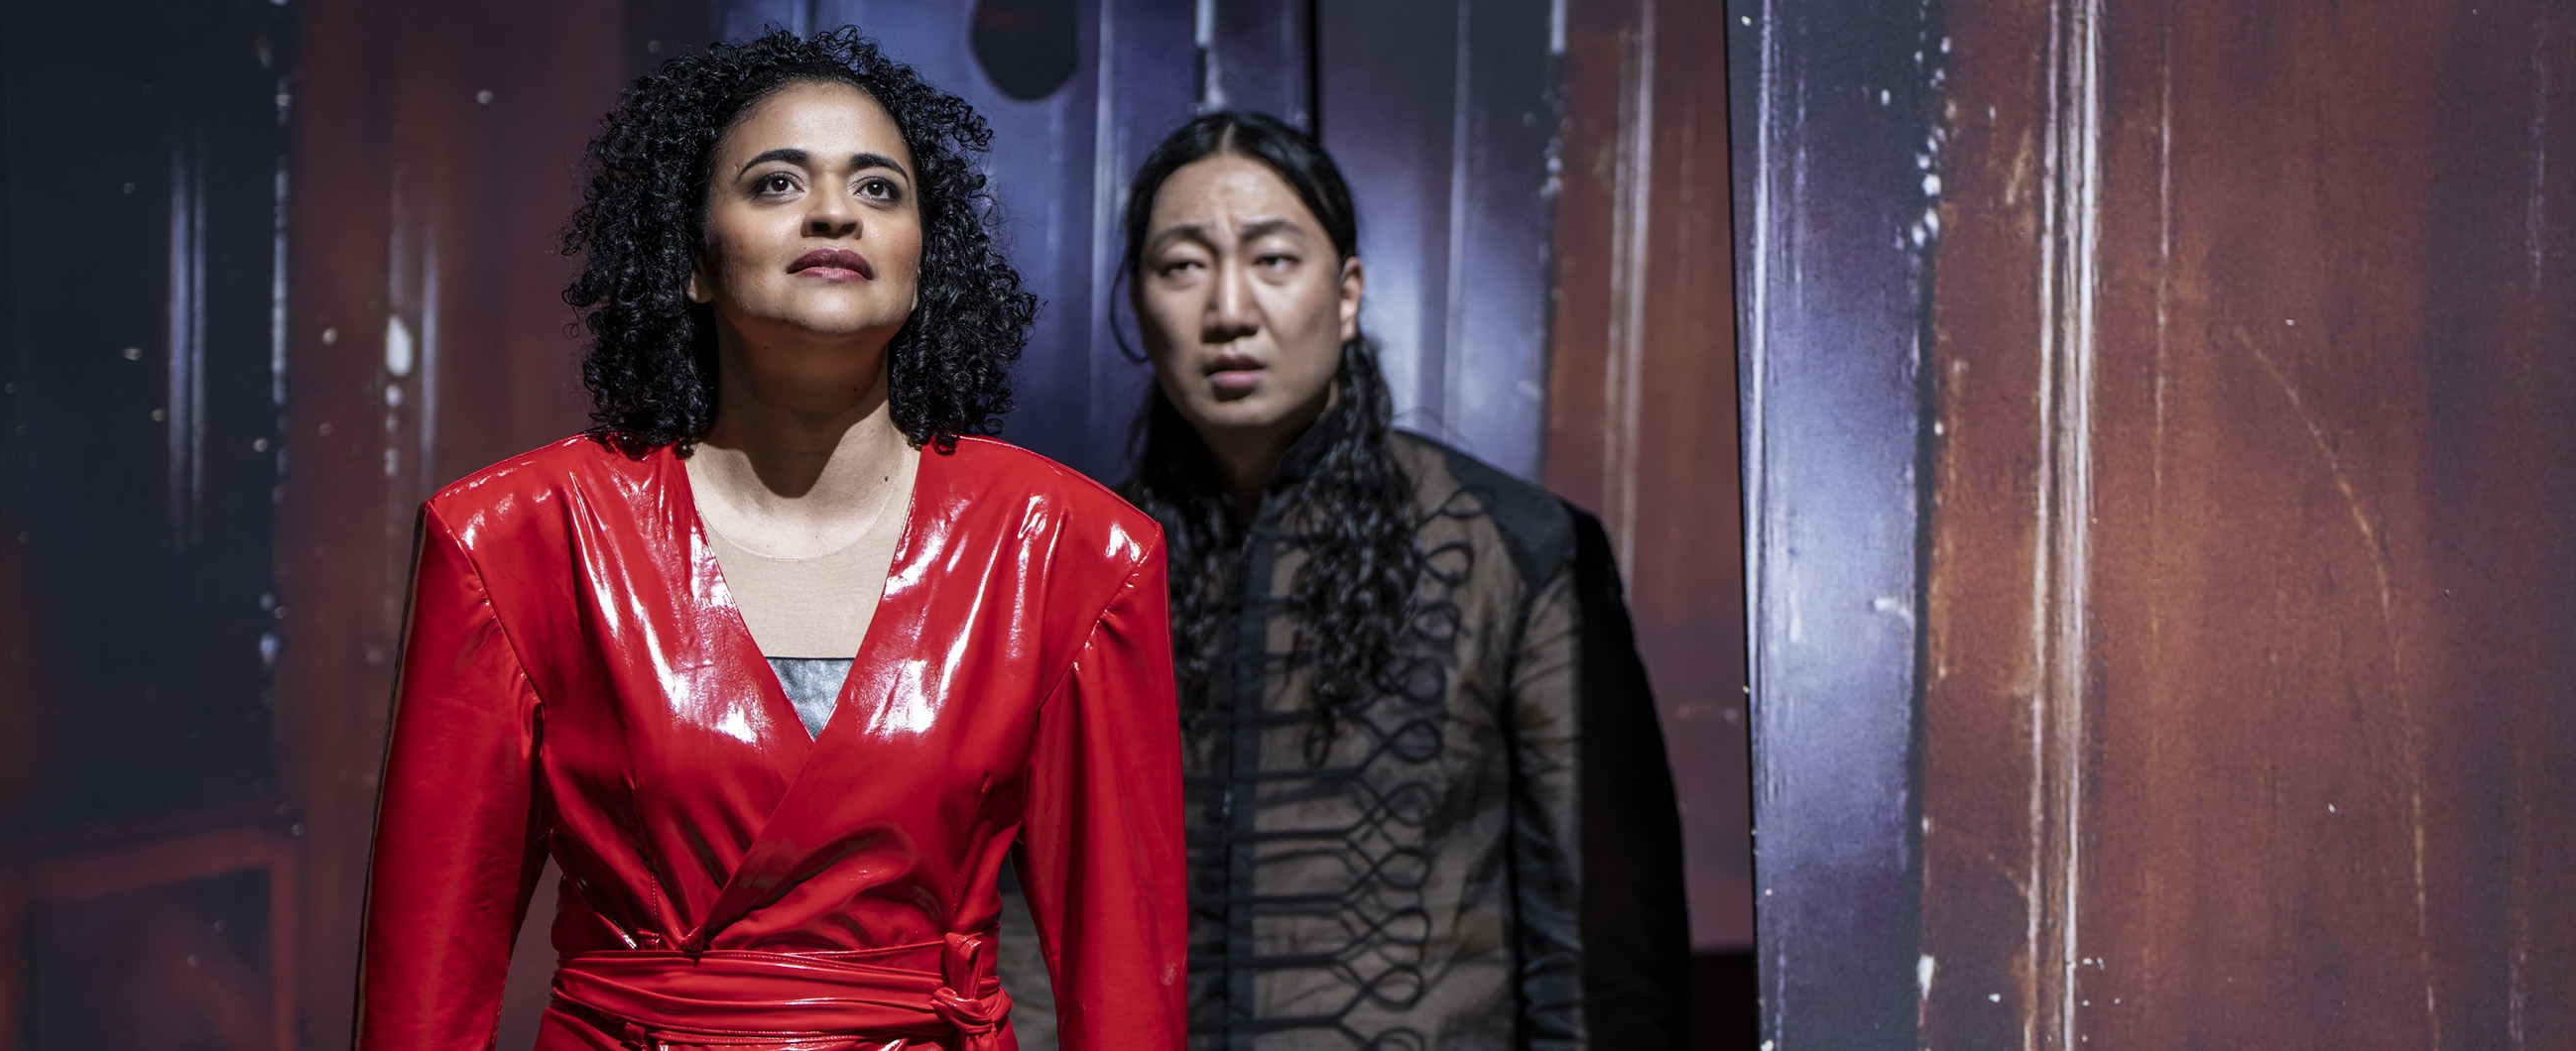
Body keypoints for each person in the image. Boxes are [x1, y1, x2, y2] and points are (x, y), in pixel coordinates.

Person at [354, 29, 1185, 1051]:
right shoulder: (516, 538)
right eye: (777, 182)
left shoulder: (1071, 552)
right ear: (694, 260)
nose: (834, 211)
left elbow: (1126, 987)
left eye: (878, 188)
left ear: (923, 261)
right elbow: (424, 980)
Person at [1006, 111, 1693, 1048]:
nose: (1230, 311)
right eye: (1183, 266)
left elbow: (1602, 958)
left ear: (1348, 294)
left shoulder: (1515, 550)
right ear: (1138, 304)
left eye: (1274, 260)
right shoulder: (1075, 570)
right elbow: (1027, 930)